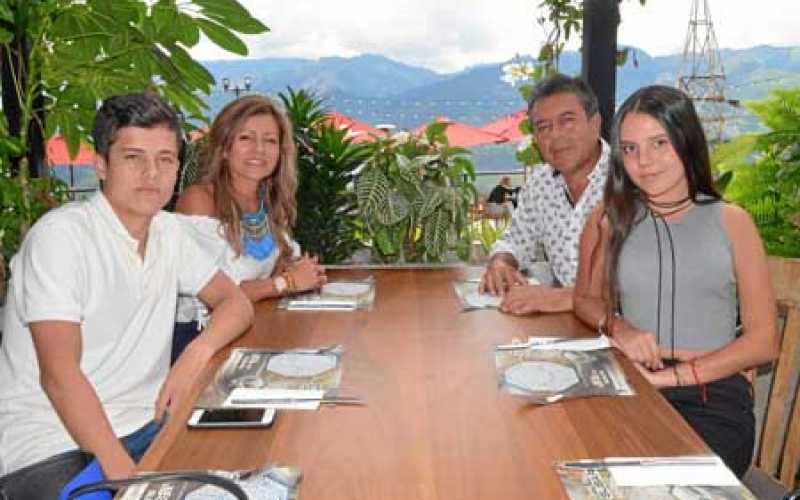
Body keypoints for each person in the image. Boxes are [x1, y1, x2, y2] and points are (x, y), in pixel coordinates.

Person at [0, 93, 254, 482]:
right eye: (133, 157)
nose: (152, 173)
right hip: (52, 440)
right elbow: (59, 375)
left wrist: (194, 356)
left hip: (146, 423)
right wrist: (125, 476)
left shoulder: (170, 232)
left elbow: (235, 303)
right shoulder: (61, 238)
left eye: (165, 159)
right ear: (101, 165)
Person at [574, 85, 778, 477]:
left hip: (711, 394)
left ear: (686, 141)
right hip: (631, 384)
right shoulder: (610, 217)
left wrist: (670, 377)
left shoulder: (732, 221)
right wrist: (621, 327)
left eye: (659, 143)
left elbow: (764, 341)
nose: (644, 162)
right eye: (630, 149)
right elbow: (584, 299)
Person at [174, 95, 326, 361]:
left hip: (253, 332)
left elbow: (280, 265)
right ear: (224, 147)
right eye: (246, 138)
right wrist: (286, 282)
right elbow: (218, 298)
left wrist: (299, 271)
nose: (260, 150)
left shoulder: (269, 201)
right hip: (199, 345)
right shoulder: (199, 201)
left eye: (270, 141)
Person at [480, 74, 610, 315]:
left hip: (636, 334)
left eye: (567, 121)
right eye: (544, 127)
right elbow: (515, 240)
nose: (555, 136)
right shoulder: (540, 183)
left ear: (595, 123)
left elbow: (646, 282)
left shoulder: (629, 178)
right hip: (571, 328)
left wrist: (560, 298)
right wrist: (501, 262)